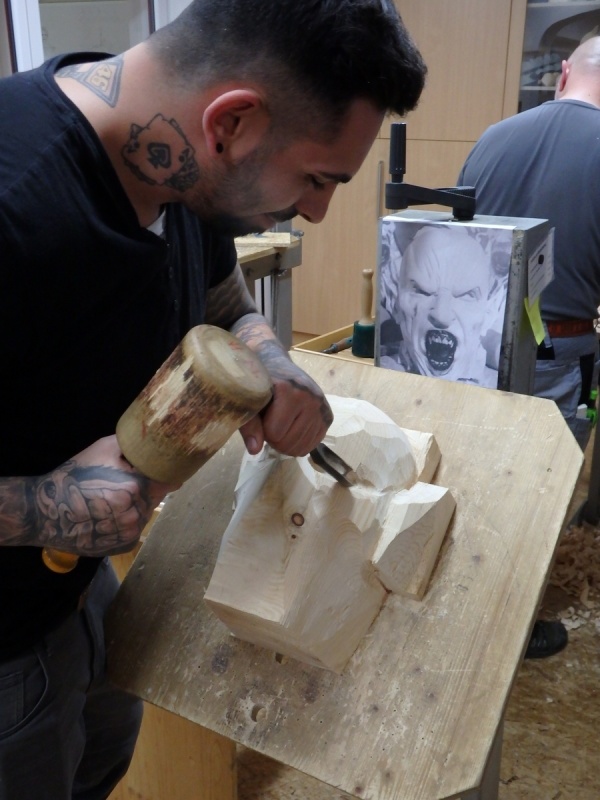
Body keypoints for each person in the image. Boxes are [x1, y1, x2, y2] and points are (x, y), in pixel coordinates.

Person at [0, 1, 427, 797]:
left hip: (78, 591)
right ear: (231, 122)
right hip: (6, 651)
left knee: (100, 752)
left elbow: (219, 290)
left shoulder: (182, 170)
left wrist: (273, 360)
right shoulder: (16, 200)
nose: (317, 211)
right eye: (317, 179)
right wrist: (38, 508)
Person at [458, 35, 600, 659]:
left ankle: (456, 610)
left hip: (477, 342)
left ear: (563, 72)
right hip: (559, 352)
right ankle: (512, 629)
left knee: (472, 477)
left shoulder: (494, 136)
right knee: (538, 495)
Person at [379, 223, 505, 388]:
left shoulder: (498, 390)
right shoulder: (383, 378)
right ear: (397, 307)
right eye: (423, 292)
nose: (441, 315)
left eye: (465, 296)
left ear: (487, 315)